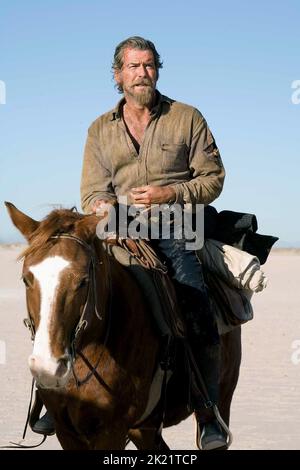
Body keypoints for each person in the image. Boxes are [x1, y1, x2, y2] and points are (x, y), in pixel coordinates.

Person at [34, 36, 228, 450]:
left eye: (149, 65)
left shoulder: (187, 117)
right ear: (118, 74)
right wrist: (105, 208)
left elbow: (213, 179)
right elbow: (91, 193)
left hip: (178, 225)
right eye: (133, 67)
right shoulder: (99, 130)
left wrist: (169, 194)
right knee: (72, 293)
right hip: (117, 231)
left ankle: (208, 411)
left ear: (158, 69)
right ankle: (55, 395)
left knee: (197, 309)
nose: (142, 73)